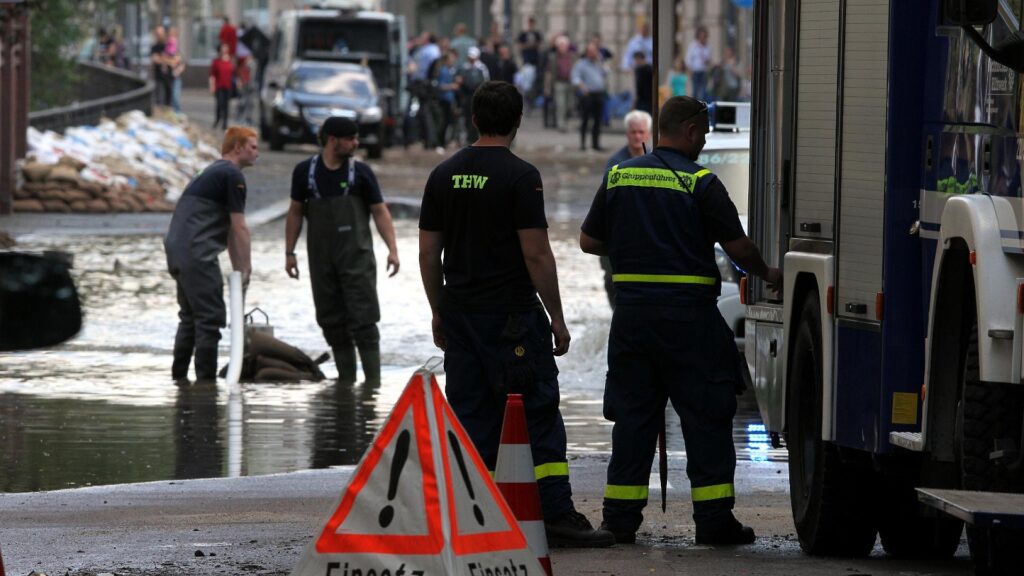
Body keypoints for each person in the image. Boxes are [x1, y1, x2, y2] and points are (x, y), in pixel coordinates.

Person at [418, 80, 615, 549]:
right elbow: (537, 255)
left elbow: (428, 254)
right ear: (518, 121)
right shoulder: (521, 176)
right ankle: (554, 516)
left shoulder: (442, 174)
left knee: (471, 415)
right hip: (512, 319)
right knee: (537, 413)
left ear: (473, 119)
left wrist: (439, 310)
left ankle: (476, 518)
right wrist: (558, 318)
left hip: (463, 316)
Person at [579, 96, 781, 545]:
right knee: (707, 419)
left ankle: (619, 521)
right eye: (704, 133)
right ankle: (712, 523)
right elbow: (738, 248)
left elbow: (588, 240)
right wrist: (768, 273)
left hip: (632, 319)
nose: (705, 141)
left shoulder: (619, 175)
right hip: (690, 322)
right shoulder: (701, 184)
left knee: (632, 419)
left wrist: (634, 246)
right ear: (689, 130)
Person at [284, 117, 400, 384]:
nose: (356, 143)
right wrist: (289, 252)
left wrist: (392, 249)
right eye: (351, 139)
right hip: (321, 260)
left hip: (356, 258)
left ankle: (373, 385)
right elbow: (295, 212)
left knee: (364, 321)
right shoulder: (305, 172)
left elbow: (380, 212)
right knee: (331, 321)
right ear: (333, 140)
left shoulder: (360, 173)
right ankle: (346, 385)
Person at [164, 126, 258, 383]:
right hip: (197, 253)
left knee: (190, 317)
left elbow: (226, 230)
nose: (258, 153)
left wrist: (239, 272)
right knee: (210, 319)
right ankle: (206, 386)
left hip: (177, 250)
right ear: (237, 148)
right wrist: (247, 266)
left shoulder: (212, 171)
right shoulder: (232, 176)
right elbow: (239, 227)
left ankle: (179, 381)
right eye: (253, 146)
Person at [599, 109, 652, 307]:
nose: (638, 136)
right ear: (627, 134)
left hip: (646, 231)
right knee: (612, 276)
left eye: (641, 132)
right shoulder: (615, 163)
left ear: (648, 133)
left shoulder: (658, 158)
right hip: (618, 230)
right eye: (633, 132)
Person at [571, 42, 608, 151]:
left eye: (595, 52)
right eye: (591, 52)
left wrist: (601, 61)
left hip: (599, 94)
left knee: (597, 120)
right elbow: (575, 78)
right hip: (587, 95)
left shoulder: (599, 63)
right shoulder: (581, 64)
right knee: (585, 120)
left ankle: (595, 144)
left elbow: (606, 72)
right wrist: (582, 86)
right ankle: (582, 144)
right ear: (587, 53)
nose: (594, 54)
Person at [455, 46, 490, 143]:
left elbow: (485, 82)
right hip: (467, 97)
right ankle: (469, 138)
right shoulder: (464, 68)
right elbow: (459, 81)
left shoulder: (482, 68)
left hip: (478, 96)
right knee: (467, 118)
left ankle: (476, 138)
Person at [209, 42, 235, 130]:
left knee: (226, 105)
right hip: (219, 86)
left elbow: (233, 73)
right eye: (223, 48)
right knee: (219, 104)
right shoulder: (216, 61)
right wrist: (212, 86)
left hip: (228, 86)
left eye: (226, 48)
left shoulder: (230, 60)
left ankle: (225, 123)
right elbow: (212, 75)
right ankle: (217, 119)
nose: (225, 50)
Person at [686, 26, 712, 101]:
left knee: (704, 92)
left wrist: (707, 61)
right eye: (701, 36)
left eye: (704, 36)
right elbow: (688, 58)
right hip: (695, 71)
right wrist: (690, 69)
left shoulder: (707, 46)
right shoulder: (693, 45)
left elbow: (709, 58)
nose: (703, 38)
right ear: (698, 36)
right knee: (695, 92)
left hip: (704, 71)